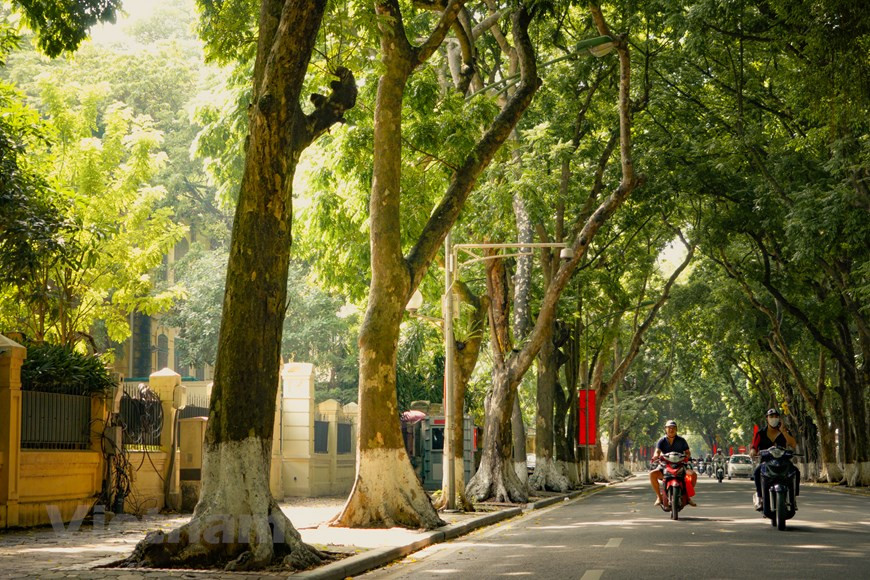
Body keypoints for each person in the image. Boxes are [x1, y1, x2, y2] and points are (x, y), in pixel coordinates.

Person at [749, 408, 797, 510]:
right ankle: (760, 498)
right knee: (757, 472)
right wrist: (753, 451)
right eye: (771, 417)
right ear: (767, 418)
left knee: (795, 471)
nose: (774, 419)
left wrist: (784, 432)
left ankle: (793, 498)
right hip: (766, 462)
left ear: (779, 419)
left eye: (776, 416)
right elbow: (754, 446)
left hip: (783, 462)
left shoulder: (785, 431)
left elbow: (793, 444)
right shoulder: (760, 433)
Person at [649, 420, 697, 507]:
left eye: (673, 428)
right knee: (652, 474)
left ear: (676, 429)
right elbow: (657, 451)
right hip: (665, 466)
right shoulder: (661, 441)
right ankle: (659, 497)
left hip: (680, 465)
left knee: (693, 475)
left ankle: (687, 497)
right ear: (665, 429)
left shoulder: (682, 440)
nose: (671, 430)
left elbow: (687, 452)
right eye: (669, 428)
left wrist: (687, 456)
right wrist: (655, 456)